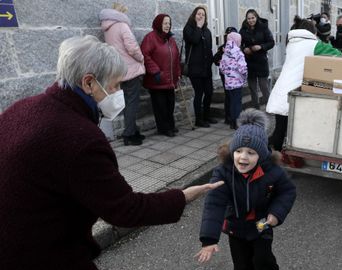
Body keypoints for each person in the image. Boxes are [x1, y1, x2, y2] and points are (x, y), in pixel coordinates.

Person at [0, 35, 223, 269]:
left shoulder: (23, 107)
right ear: (88, 83)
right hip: (41, 253)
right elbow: (125, 209)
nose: (119, 93)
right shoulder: (79, 139)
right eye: (115, 85)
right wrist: (184, 195)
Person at [195, 109, 296, 269]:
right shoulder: (223, 172)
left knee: (263, 261)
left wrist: (276, 213)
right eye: (238, 151)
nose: (243, 157)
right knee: (242, 264)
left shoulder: (272, 171)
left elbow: (287, 191)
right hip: (236, 226)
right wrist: (209, 239)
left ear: (261, 156)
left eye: (251, 152)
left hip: (262, 224)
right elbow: (214, 204)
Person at [267, 16, 342, 152]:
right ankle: (270, 159)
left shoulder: (292, 43)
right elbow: (338, 55)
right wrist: (325, 41)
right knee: (286, 134)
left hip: (281, 92)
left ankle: (269, 154)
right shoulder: (314, 45)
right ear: (313, 32)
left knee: (280, 130)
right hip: (292, 96)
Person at [99, 3, 146, 145]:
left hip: (118, 70)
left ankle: (133, 129)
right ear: (121, 13)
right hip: (130, 70)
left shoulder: (107, 28)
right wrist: (141, 58)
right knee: (132, 103)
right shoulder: (122, 25)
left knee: (126, 103)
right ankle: (129, 135)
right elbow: (132, 48)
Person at [141, 14, 181, 137]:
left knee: (170, 104)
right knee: (160, 106)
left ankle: (170, 125)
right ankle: (163, 128)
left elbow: (176, 58)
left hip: (170, 80)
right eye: (165, 23)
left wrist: (178, 74)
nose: (167, 25)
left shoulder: (171, 39)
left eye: (169, 23)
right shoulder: (150, 37)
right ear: (159, 23)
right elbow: (144, 55)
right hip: (157, 79)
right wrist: (155, 71)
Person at [183, 6, 217, 128]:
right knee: (199, 93)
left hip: (206, 68)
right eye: (198, 14)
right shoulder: (188, 29)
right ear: (194, 15)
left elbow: (209, 49)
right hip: (194, 68)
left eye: (203, 14)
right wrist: (198, 26)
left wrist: (214, 60)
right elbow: (195, 40)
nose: (201, 16)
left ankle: (206, 116)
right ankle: (199, 119)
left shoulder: (207, 31)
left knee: (209, 92)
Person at [240, 9, 275, 109]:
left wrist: (261, 47)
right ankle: (256, 108)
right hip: (249, 62)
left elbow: (271, 42)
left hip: (261, 61)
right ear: (246, 19)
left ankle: (270, 108)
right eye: (248, 18)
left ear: (256, 17)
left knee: (264, 87)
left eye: (252, 18)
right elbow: (238, 44)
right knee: (252, 88)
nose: (251, 20)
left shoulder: (263, 28)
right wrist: (244, 49)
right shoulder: (243, 30)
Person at [219, 32, 248, 130]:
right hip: (237, 82)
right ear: (237, 41)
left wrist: (227, 74)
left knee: (232, 102)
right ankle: (237, 123)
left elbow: (221, 68)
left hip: (228, 82)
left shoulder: (225, 53)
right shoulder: (239, 53)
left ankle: (232, 122)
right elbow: (242, 68)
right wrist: (244, 76)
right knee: (237, 102)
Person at [213, 26, 238, 125]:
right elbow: (215, 59)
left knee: (235, 97)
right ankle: (228, 118)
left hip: (236, 76)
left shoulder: (238, 47)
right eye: (228, 36)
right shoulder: (222, 47)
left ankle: (234, 117)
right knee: (228, 96)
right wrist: (219, 61)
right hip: (226, 76)